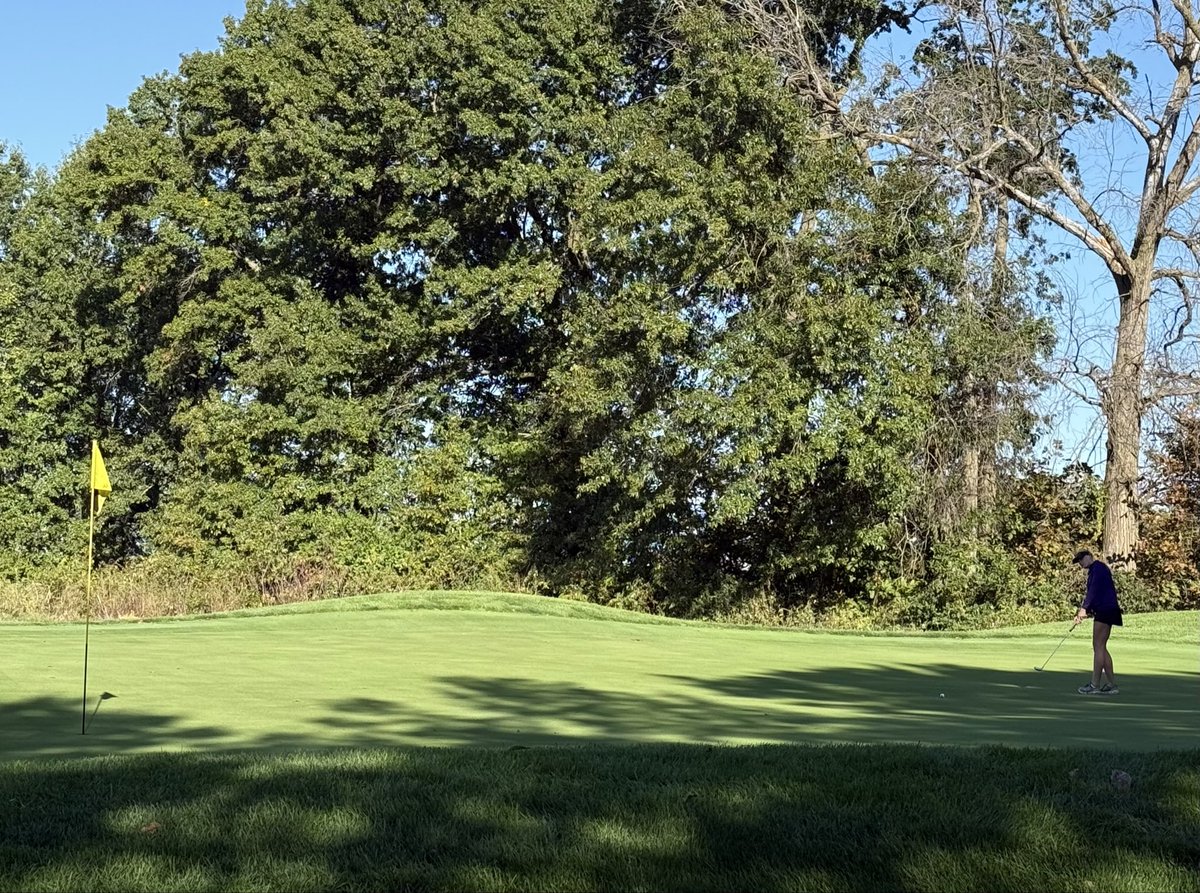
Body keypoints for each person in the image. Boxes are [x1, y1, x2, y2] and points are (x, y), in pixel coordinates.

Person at [1071, 549, 1122, 695]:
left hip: (1106, 610)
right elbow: (1097, 594)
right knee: (1101, 646)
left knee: (1098, 646)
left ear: (1089, 557)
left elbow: (1092, 592)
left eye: (1081, 559)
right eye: (1078, 561)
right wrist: (1085, 612)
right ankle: (1112, 685)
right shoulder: (1096, 570)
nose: (1080, 563)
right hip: (1107, 609)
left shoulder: (1098, 568)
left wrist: (1083, 609)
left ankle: (1095, 685)